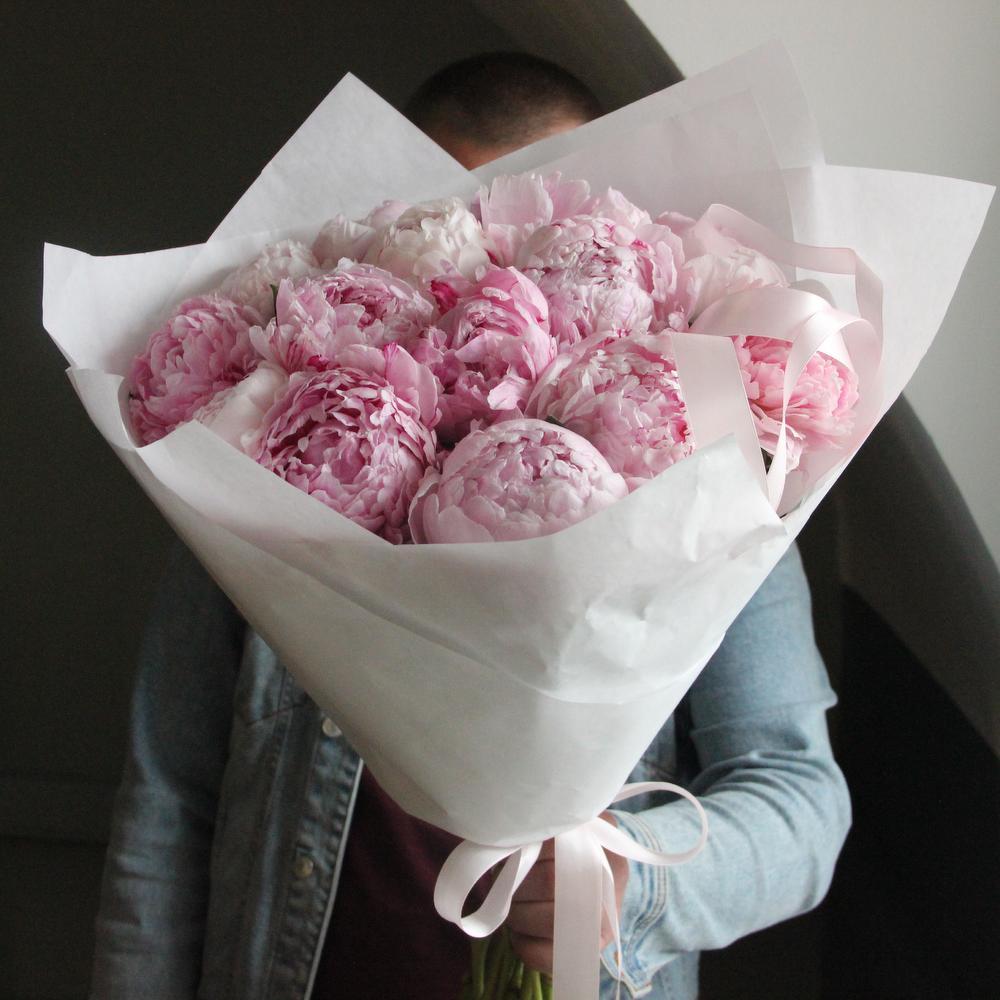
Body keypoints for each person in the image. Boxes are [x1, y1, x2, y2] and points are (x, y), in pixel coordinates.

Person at [89, 53, 850, 1000]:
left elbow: (799, 802)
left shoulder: (710, 485)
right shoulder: (276, 458)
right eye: (455, 221)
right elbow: (168, 798)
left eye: (535, 228)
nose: (497, 264)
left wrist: (628, 878)